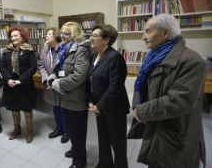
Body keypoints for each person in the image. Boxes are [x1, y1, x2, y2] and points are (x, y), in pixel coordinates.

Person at [129, 14, 206, 168]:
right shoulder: (152, 56)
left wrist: (142, 112)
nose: (143, 37)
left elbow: (178, 101)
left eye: (148, 32)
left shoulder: (192, 61)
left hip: (174, 135)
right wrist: (137, 108)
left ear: (165, 33)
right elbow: (140, 85)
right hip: (155, 126)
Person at [47, 22, 90, 168]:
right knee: (72, 130)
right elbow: (60, 67)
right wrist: (53, 76)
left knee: (78, 132)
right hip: (66, 96)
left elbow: (79, 76)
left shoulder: (81, 49)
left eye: (66, 33)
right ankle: (75, 150)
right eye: (62, 33)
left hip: (76, 98)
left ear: (75, 36)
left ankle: (79, 163)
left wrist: (59, 84)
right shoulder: (65, 48)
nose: (62, 36)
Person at [87, 24, 130, 168]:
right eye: (91, 35)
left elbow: (115, 87)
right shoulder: (94, 56)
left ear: (107, 39)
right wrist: (91, 102)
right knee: (103, 139)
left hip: (114, 109)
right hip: (99, 107)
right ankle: (105, 164)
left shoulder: (115, 57)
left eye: (95, 35)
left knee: (118, 145)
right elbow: (92, 81)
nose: (91, 38)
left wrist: (100, 106)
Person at [0, 26, 37, 143]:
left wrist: (21, 80)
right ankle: (17, 128)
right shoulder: (6, 50)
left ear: (22, 37)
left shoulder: (29, 50)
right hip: (11, 85)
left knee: (27, 109)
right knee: (14, 108)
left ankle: (30, 130)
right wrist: (8, 79)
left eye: (16, 35)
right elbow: (2, 67)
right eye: (12, 36)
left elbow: (32, 68)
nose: (13, 38)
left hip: (24, 84)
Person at [38, 27, 69, 143]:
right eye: (46, 34)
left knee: (63, 108)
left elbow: (65, 68)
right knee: (55, 107)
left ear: (56, 36)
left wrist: (54, 81)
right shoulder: (45, 49)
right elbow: (41, 66)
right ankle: (58, 129)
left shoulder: (63, 49)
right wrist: (46, 80)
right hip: (49, 84)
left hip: (60, 83)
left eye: (49, 34)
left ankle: (66, 131)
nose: (46, 36)